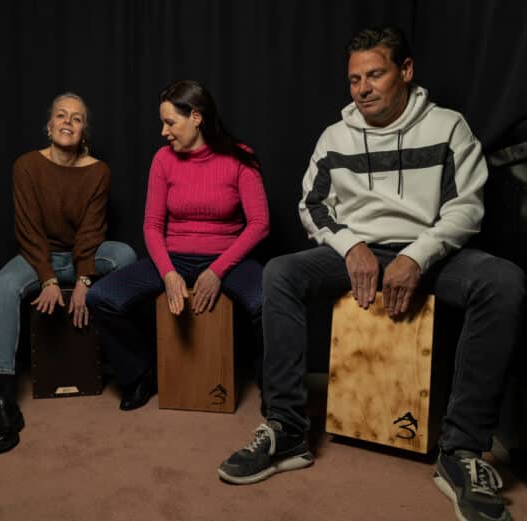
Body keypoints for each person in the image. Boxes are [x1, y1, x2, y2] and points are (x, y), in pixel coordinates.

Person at [218, 26, 525, 521]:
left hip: (430, 251)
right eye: (354, 79)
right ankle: (287, 428)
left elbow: (466, 209)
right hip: (357, 250)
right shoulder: (335, 136)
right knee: (280, 273)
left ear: (405, 71)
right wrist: (350, 245)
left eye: (375, 75)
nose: (362, 89)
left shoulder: (448, 127)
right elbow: (312, 205)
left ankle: (461, 452)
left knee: (503, 281)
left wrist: (417, 255)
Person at [87, 80, 270, 411]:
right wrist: (168, 272)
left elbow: (259, 224)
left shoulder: (240, 157)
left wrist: (217, 270)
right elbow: (152, 225)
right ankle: (139, 375)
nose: (163, 132)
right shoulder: (163, 160)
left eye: (170, 122)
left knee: (267, 303)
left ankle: (272, 387)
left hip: (228, 258)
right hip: (174, 258)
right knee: (101, 297)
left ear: (196, 117)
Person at [0, 92, 136, 454]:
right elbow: (29, 229)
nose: (68, 122)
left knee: (126, 256)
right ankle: (3, 401)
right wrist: (47, 278)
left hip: (83, 254)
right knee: (2, 285)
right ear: (49, 125)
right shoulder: (26, 165)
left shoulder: (98, 171)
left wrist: (85, 280)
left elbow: (91, 231)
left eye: (76, 118)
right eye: (61, 115)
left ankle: (127, 368)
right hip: (39, 255)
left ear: (84, 131)